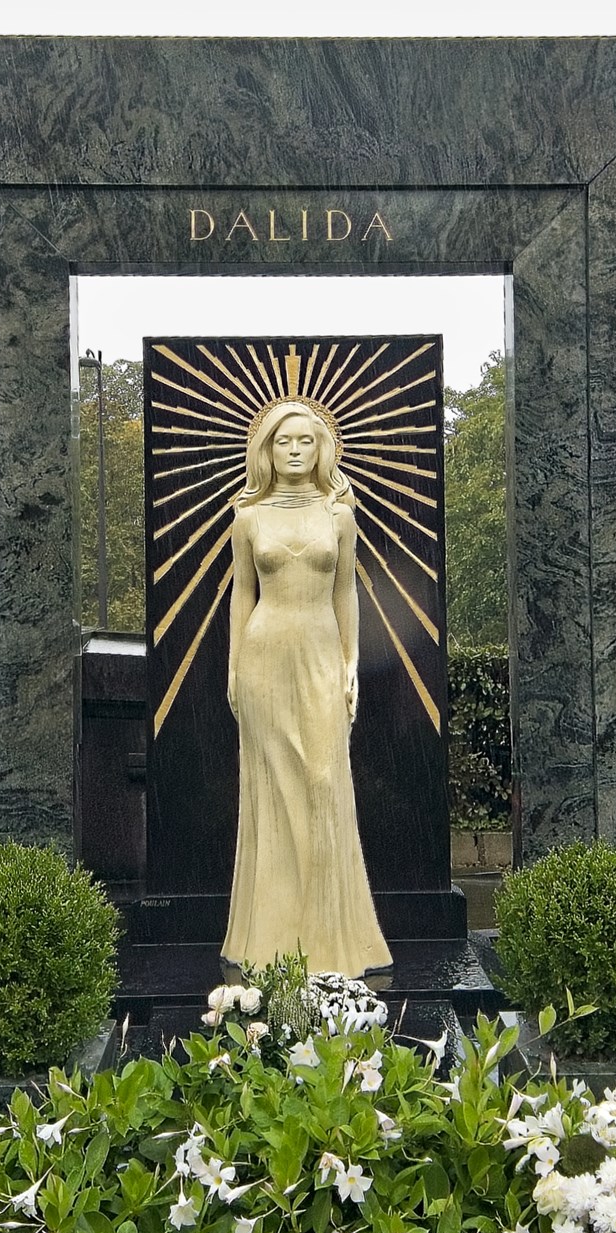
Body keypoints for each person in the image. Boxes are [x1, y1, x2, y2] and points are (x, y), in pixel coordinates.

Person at [220, 399, 391, 976]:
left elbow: (347, 591)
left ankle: (330, 942)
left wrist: (351, 661)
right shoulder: (247, 518)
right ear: (266, 449)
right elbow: (243, 594)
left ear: (323, 449)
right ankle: (268, 942)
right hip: (265, 658)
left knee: (323, 783)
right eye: (283, 442)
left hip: (321, 654)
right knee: (272, 793)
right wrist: (234, 666)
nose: (294, 451)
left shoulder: (340, 515)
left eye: (305, 441)